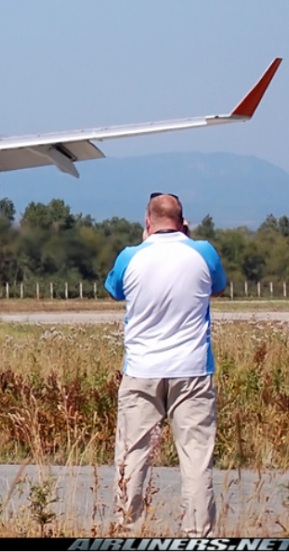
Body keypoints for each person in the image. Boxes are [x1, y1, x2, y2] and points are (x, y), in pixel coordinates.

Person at [104, 193, 227, 537]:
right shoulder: (202, 252)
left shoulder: (131, 256)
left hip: (142, 369)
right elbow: (217, 287)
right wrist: (188, 241)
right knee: (196, 461)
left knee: (132, 458)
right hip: (192, 368)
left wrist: (144, 244)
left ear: (147, 221)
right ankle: (198, 535)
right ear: (182, 221)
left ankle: (128, 531)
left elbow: (115, 291)